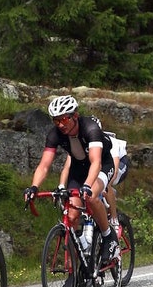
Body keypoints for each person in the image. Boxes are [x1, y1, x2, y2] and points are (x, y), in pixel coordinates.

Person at [24, 95, 119, 274]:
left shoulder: (90, 127)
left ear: (75, 115)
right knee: (72, 216)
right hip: (78, 168)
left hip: (101, 165)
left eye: (64, 119)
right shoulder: (54, 134)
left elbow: (96, 162)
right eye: (56, 120)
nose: (60, 124)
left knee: (90, 197)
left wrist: (88, 186)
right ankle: (75, 272)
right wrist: (34, 187)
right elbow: (44, 165)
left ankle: (108, 237)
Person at [58, 115, 129, 234]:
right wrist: (61, 185)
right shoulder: (79, 142)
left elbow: (114, 169)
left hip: (119, 162)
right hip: (95, 164)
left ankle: (114, 219)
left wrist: (103, 186)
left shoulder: (108, 142)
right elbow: (67, 167)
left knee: (106, 187)